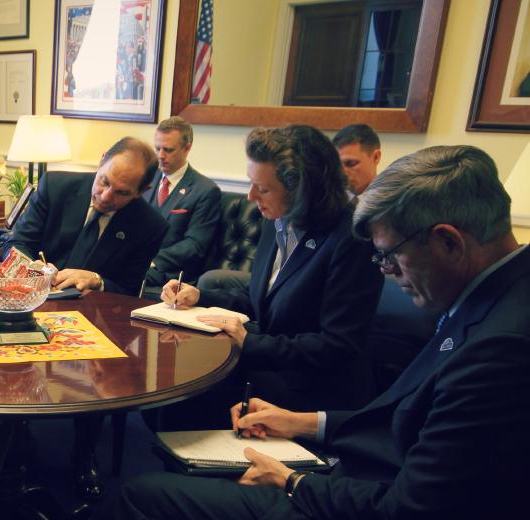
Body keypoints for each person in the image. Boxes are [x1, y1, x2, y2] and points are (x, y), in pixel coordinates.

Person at [91, 145, 527, 520]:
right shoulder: (500, 299)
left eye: (390, 257)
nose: (388, 273)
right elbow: (408, 418)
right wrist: (307, 423)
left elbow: (411, 518)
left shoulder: (502, 350)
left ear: (448, 242)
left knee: (144, 500)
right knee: (203, 462)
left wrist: (293, 484)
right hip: (379, 483)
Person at [161, 125, 382, 420]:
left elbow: (338, 346)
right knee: (177, 379)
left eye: (262, 189)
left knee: (188, 396)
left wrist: (249, 342)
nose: (251, 196)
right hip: (273, 365)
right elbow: (265, 302)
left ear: (303, 192)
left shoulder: (353, 238)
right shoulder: (277, 220)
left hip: (312, 389)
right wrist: (200, 295)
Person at [5, 136, 168, 295]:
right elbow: (18, 242)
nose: (105, 196)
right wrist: (29, 267)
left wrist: (98, 281)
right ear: (102, 160)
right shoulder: (54, 187)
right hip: (32, 297)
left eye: (122, 192)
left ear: (142, 191)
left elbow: (129, 290)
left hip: (93, 312)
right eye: (105, 182)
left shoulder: (150, 226)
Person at [142, 117, 223, 292]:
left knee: (121, 276)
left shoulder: (205, 190)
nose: (160, 156)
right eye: (157, 148)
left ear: (187, 148)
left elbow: (195, 245)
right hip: (139, 262)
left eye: (168, 150)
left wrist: (151, 260)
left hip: (171, 272)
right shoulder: (147, 178)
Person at [332, 123, 382, 198]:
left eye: (350, 163)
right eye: (337, 165)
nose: (341, 172)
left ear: (375, 157)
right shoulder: (328, 201)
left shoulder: (396, 201)